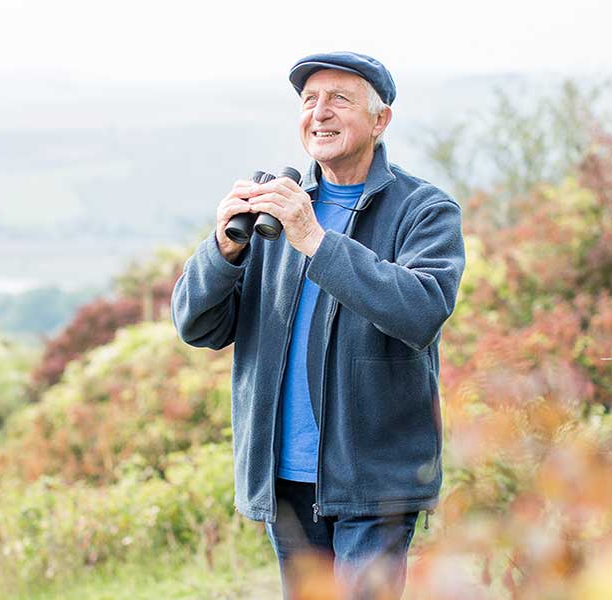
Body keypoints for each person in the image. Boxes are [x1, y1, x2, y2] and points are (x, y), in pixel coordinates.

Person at [170, 51, 466, 599]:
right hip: (286, 478)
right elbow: (197, 325)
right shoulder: (273, 215)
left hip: (376, 481)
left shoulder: (424, 209)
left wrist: (315, 240)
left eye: (339, 99)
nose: (320, 113)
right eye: (309, 101)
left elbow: (422, 309)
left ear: (381, 121)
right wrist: (223, 249)